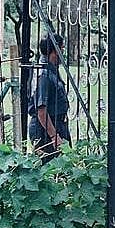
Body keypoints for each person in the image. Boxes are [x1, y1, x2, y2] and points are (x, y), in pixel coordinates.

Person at [28, 33, 70, 162]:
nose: (63, 53)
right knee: (50, 168)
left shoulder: (50, 70)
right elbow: (41, 111)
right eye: (62, 49)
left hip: (56, 125)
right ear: (55, 51)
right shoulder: (44, 74)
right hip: (46, 130)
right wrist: (54, 136)